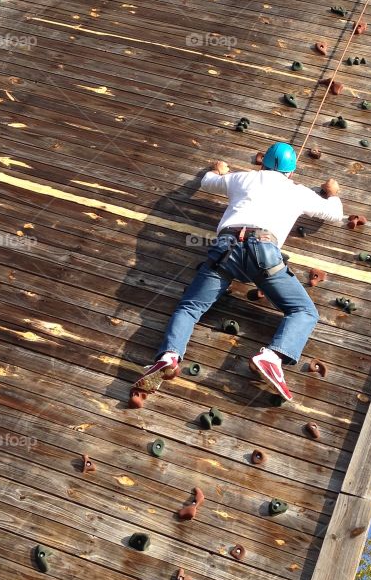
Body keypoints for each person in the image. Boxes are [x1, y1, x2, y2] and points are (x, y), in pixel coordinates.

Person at [135, 142, 345, 401]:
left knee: (189, 308)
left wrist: (218, 170)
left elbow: (208, 182)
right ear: (291, 172)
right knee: (304, 311)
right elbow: (335, 214)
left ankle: (169, 356)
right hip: (264, 252)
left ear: (263, 163)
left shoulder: (241, 178)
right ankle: (271, 357)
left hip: (225, 248)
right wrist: (332, 192)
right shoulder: (298, 192)